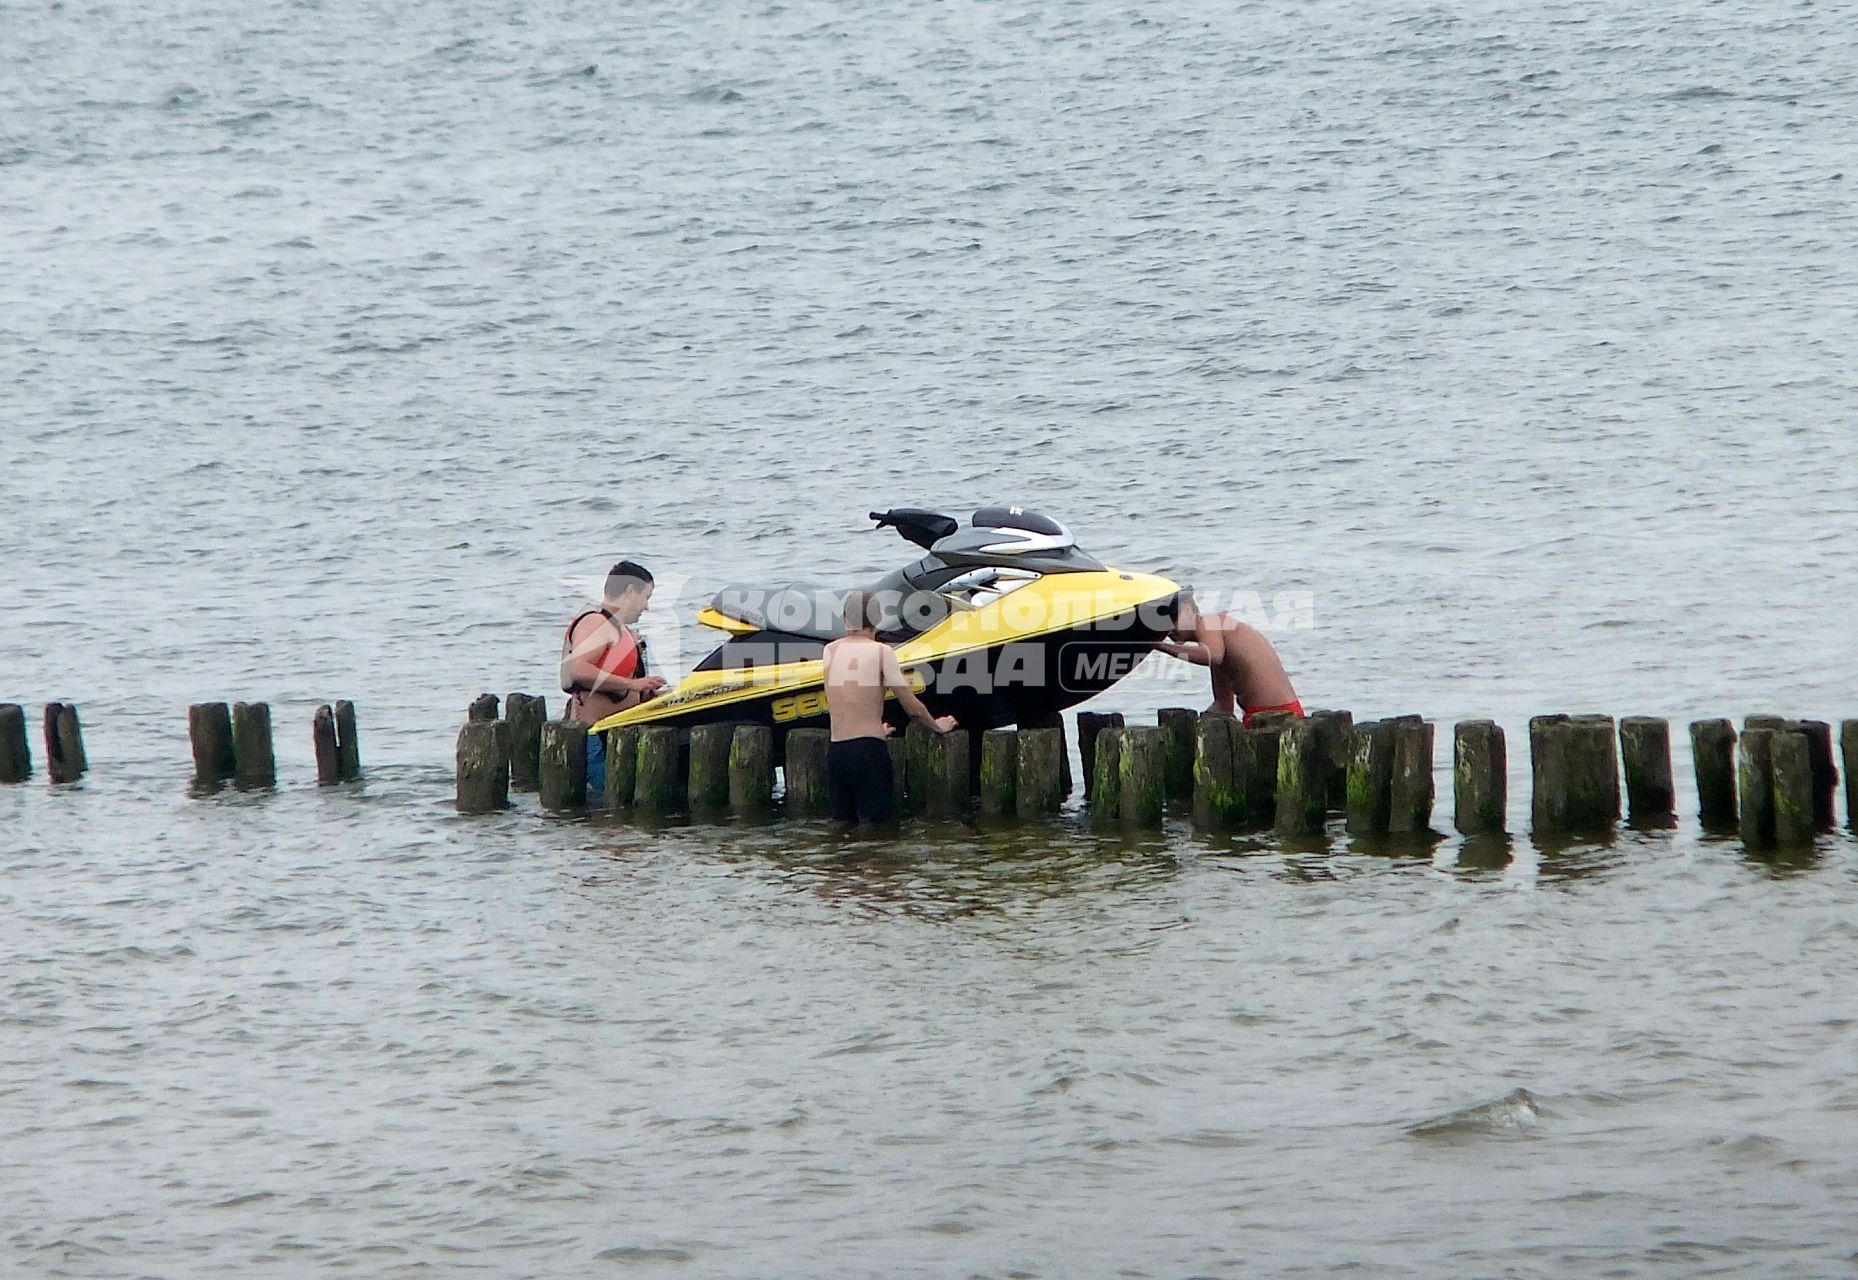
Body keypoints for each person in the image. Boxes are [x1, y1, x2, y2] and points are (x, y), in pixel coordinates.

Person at [821, 589, 957, 829]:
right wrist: (938, 726)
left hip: (837, 753)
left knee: (842, 831)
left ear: (845, 620)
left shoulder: (829, 651)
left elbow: (845, 698)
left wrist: (872, 727)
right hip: (868, 753)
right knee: (877, 832)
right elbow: (911, 706)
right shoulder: (882, 652)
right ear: (878, 619)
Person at [561, 560, 666, 793]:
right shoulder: (596, 623)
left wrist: (644, 691)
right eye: (646, 597)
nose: (646, 607)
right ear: (630, 592)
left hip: (616, 736)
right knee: (608, 818)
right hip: (594, 739)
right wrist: (632, 683)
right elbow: (578, 669)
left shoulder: (619, 628)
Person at [1157, 589, 1304, 726]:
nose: (1169, 630)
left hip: (1278, 716)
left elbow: (1212, 656)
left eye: (1172, 620)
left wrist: (1160, 646)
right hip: (1260, 715)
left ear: (1188, 611)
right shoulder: (1217, 643)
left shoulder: (1210, 622)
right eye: (1162, 624)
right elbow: (1224, 705)